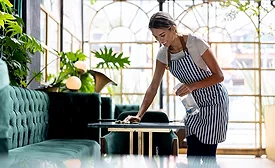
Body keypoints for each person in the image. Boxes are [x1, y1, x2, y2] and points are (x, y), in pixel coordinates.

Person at [123, 11, 229, 160]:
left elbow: (219, 76)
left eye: (162, 35)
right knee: (192, 153)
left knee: (207, 154)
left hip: (215, 102)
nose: (161, 41)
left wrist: (192, 86)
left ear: (173, 29)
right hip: (194, 106)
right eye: (156, 37)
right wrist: (139, 115)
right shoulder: (163, 54)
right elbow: (153, 87)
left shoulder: (195, 43)